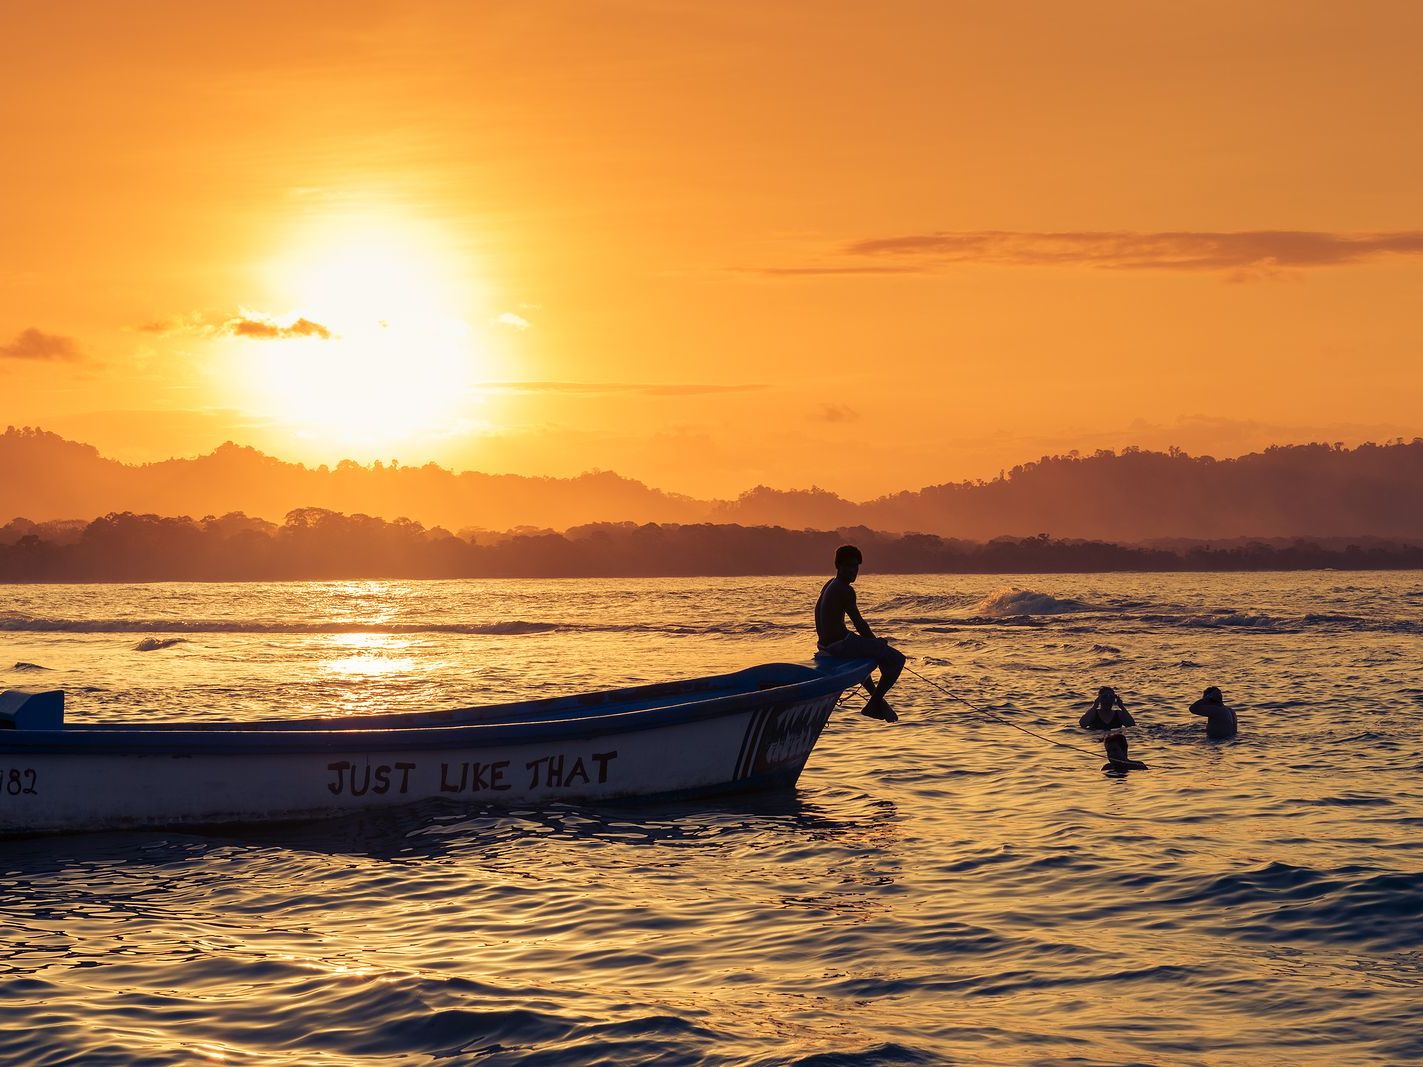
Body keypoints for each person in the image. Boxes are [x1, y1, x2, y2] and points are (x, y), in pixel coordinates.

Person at [815, 544, 906, 722]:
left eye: (856, 566)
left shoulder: (830, 584)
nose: (853, 570)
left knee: (866, 656)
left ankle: (879, 702)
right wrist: (876, 643)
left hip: (826, 644)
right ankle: (875, 703)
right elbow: (859, 624)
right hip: (840, 644)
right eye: (848, 566)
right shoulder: (845, 590)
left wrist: (872, 645)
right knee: (897, 660)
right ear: (838, 566)